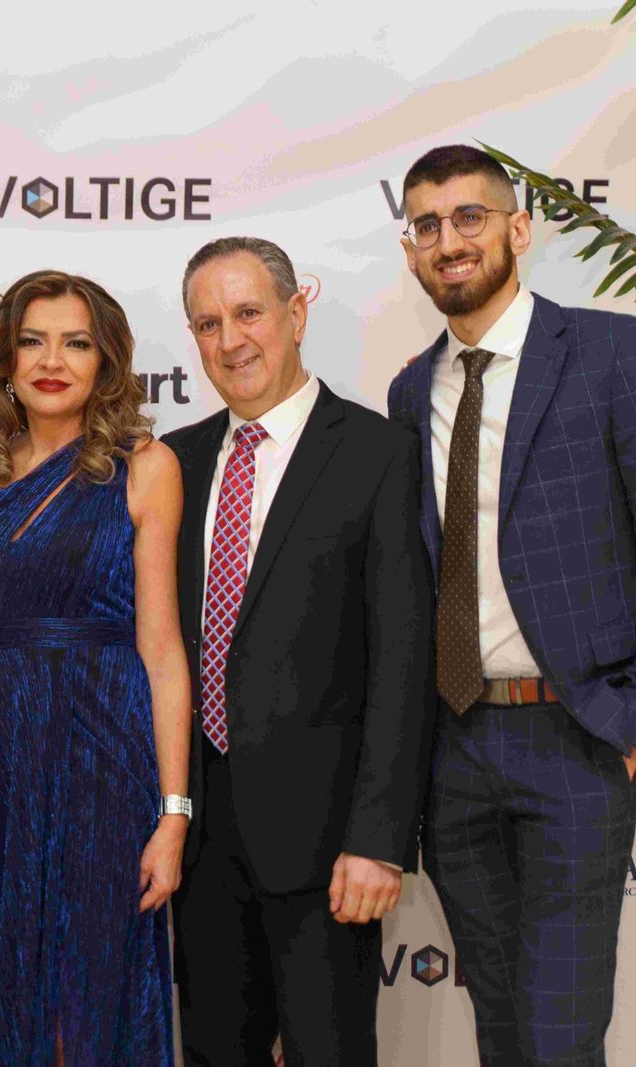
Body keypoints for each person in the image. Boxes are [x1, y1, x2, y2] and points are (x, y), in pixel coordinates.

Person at [386, 144, 636, 1066]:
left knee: (561, 1036)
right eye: (427, 225)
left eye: (470, 217)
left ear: (520, 229)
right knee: (501, 1032)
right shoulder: (411, 391)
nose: (450, 241)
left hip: (576, 737)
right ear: (411, 251)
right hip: (456, 749)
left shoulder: (615, 353)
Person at [163, 237, 435, 1065]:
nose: (230, 340)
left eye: (248, 313)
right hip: (200, 840)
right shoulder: (176, 460)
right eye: (208, 323)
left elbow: (403, 658)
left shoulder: (378, 452)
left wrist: (380, 836)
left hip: (326, 848)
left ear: (296, 313)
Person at [0, 270, 190, 1066]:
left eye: (76, 342)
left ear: (106, 361)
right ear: (6, 356)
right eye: (32, 340)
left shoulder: (146, 465)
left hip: (98, 759)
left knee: (82, 991)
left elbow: (162, 649)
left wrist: (173, 812)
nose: (52, 360)